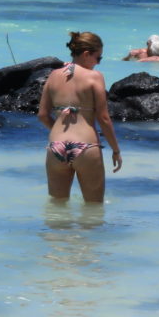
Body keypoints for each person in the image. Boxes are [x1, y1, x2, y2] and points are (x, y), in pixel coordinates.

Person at [38, 31, 122, 203]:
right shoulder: (94, 77)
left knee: (57, 209)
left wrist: (58, 130)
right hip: (86, 147)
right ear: (86, 54)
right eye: (98, 58)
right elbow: (104, 118)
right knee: (94, 208)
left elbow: (43, 115)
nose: (98, 63)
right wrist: (116, 150)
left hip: (56, 147)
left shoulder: (53, 76)